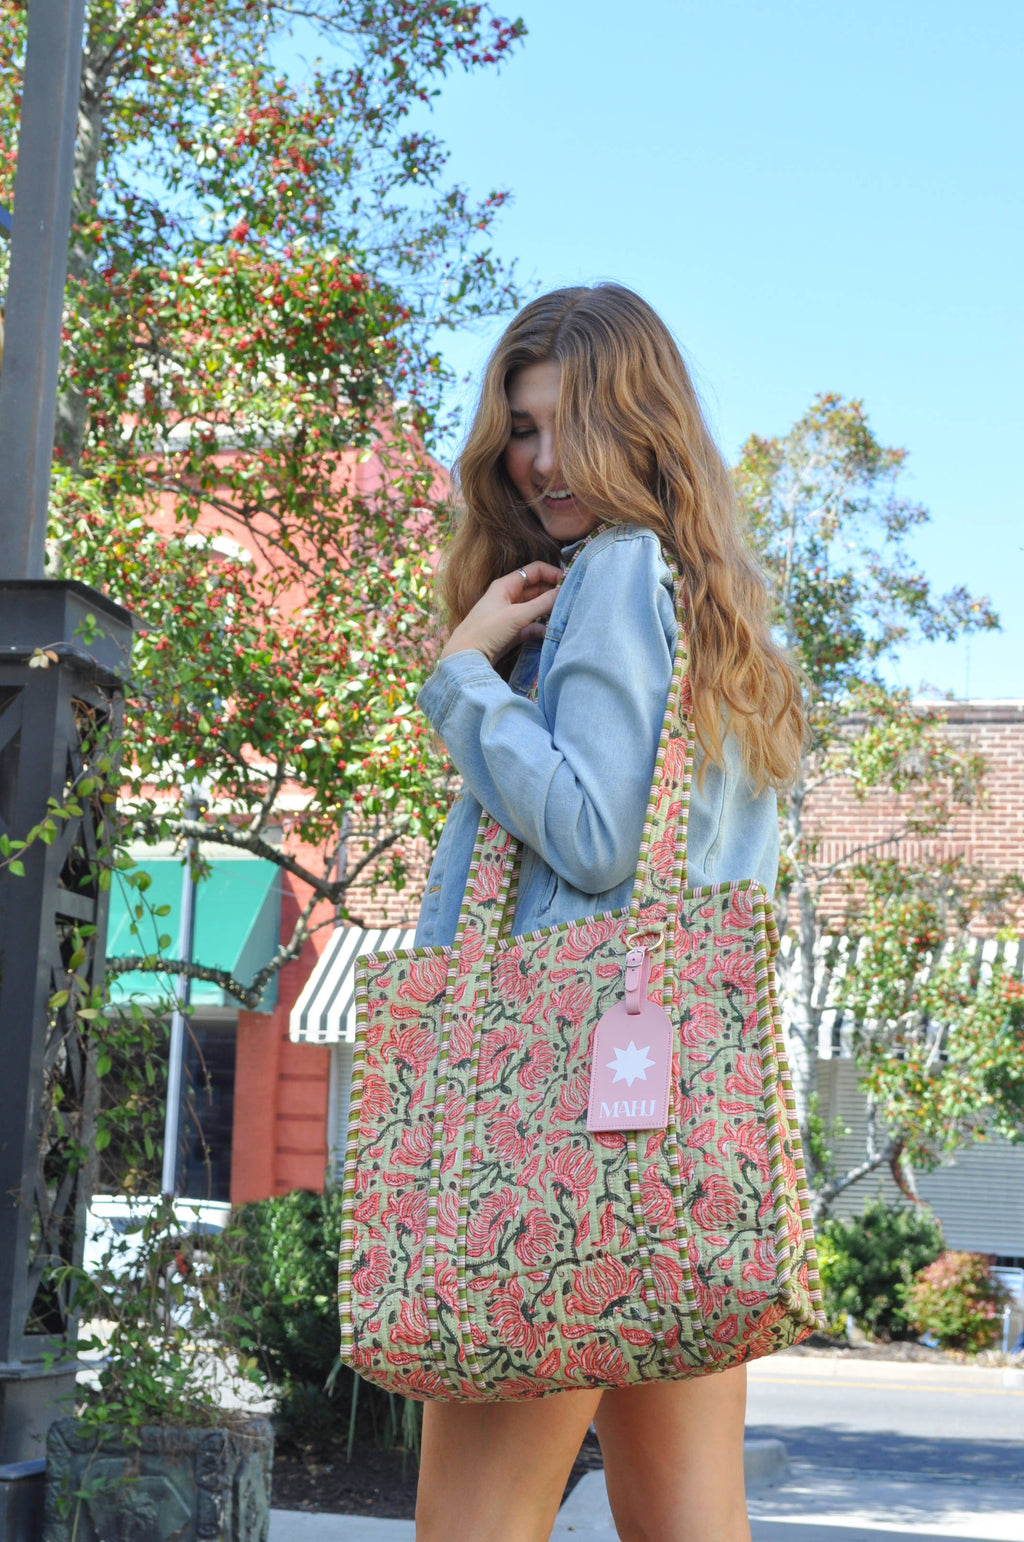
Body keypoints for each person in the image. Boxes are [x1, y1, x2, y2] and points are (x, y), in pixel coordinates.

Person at [411, 283, 805, 1542]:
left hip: (550, 1131)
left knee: (469, 1527)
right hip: (671, 1136)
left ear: (638, 423)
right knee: (688, 1522)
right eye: (519, 429)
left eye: (566, 422)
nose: (536, 460)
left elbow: (587, 837)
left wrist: (465, 680)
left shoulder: (616, 576)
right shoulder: (711, 605)